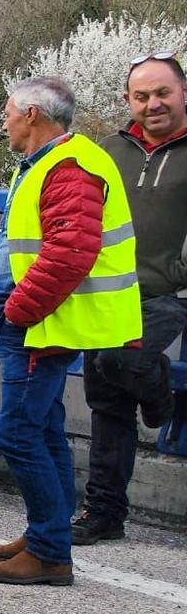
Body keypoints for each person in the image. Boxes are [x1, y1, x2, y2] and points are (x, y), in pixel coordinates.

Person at [0, 77, 141, 585]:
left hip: (39, 323)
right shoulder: (55, 162)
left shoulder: (68, 166)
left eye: (6, 112)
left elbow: (71, 251)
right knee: (43, 428)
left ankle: (49, 551)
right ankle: (47, 532)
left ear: (30, 115)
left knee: (18, 433)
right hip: (39, 320)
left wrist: (20, 310)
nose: (2, 122)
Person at [69, 54, 187, 546]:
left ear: (183, 93)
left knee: (123, 361)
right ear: (127, 101)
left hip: (168, 293)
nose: (152, 104)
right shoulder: (108, 151)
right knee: (107, 401)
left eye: (162, 93)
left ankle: (161, 395)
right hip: (110, 293)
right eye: (142, 96)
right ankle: (104, 512)